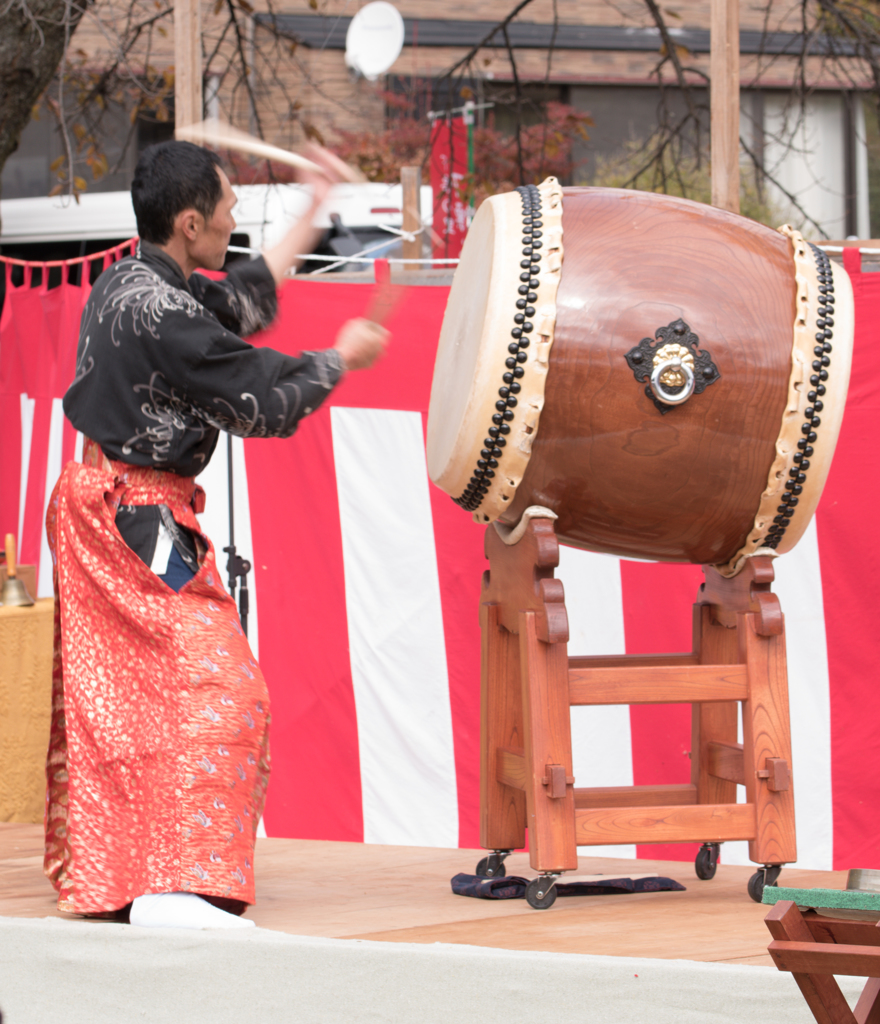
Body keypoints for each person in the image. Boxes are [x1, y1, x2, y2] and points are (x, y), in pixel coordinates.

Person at [44, 140, 387, 930]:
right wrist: (342, 359)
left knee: (131, 704)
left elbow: (240, 299)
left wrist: (314, 207)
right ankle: (175, 885)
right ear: (191, 222)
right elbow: (260, 395)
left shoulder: (135, 283)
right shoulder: (161, 311)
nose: (235, 222)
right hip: (132, 516)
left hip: (110, 505)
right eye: (228, 212)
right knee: (220, 693)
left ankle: (133, 876)